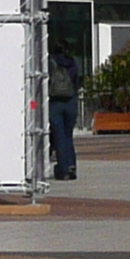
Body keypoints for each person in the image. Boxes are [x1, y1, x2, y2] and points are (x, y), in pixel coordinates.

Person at [46, 47, 82, 179]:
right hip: (70, 102)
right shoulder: (73, 63)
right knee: (68, 136)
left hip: (55, 102)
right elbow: (76, 82)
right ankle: (71, 165)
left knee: (58, 136)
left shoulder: (50, 62)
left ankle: (63, 169)